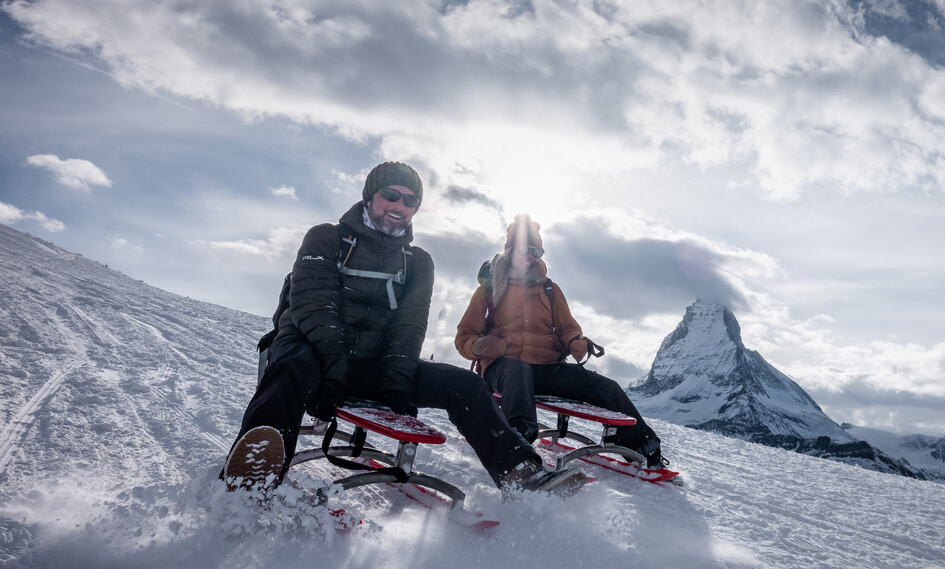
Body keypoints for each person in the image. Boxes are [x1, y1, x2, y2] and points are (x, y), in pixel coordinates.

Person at [221, 163, 567, 492]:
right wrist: (332, 373)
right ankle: (256, 468)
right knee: (291, 363)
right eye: (391, 194)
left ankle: (519, 472)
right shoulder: (326, 238)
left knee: (465, 384)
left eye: (410, 200)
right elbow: (314, 307)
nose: (400, 205)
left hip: (373, 367)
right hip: (315, 358)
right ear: (369, 196)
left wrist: (398, 380)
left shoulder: (417, 262)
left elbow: (409, 326)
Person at [454, 214, 667, 467]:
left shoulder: (549, 289)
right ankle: (516, 447)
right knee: (518, 371)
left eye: (537, 250)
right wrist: (480, 345)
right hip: (502, 367)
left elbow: (567, 328)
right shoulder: (488, 290)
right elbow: (465, 337)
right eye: (526, 249)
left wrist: (577, 342)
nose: (532, 256)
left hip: (545, 367)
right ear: (510, 249)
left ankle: (645, 449)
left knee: (606, 387)